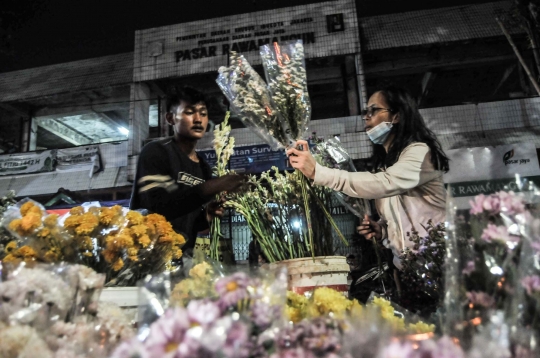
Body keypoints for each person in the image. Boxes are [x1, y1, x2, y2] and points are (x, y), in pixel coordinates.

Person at [286, 85, 449, 272]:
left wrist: (319, 172)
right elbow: (402, 220)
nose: (366, 116)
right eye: (366, 112)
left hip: (440, 266)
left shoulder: (420, 152)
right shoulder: (386, 166)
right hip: (410, 271)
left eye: (374, 110)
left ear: (396, 116)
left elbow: (386, 183)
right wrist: (382, 231)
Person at [130, 87, 245, 255]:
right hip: (146, 254)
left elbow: (190, 221)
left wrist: (208, 215)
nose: (198, 119)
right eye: (190, 113)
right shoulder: (157, 151)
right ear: (170, 118)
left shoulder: (203, 167)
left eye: (203, 113)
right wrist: (211, 187)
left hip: (181, 256)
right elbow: (156, 207)